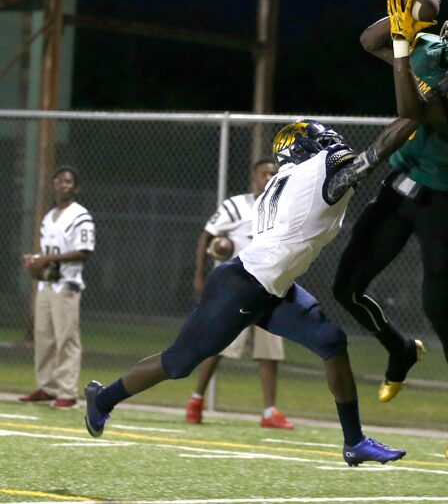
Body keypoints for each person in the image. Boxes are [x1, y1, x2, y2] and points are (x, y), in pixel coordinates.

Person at [85, 117, 419, 467]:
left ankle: (354, 442)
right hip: (242, 287)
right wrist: (418, 113)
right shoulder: (319, 170)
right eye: (322, 140)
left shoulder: (284, 180)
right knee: (178, 362)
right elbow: (379, 149)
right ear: (304, 149)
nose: (332, 144)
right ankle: (103, 399)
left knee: (332, 342)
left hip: (271, 286)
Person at [332, 0, 448, 462]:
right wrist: (400, 16)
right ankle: (399, 350)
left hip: (442, 202)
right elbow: (368, 41)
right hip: (402, 186)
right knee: (346, 287)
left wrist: (402, 46)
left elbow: (414, 112)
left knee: (440, 312)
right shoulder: (435, 49)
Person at [186, 158, 293, 430]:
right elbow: (208, 237)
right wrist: (201, 273)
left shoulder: (285, 208)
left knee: (269, 351)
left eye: (273, 173)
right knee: (218, 344)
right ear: (254, 177)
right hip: (236, 288)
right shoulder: (236, 205)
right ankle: (196, 400)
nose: (269, 177)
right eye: (264, 173)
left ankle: (269, 411)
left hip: (270, 286)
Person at [20, 166, 95, 409]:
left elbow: (84, 251)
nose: (64, 185)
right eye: (60, 181)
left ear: (76, 187)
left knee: (66, 338)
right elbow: (48, 253)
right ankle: (48, 386)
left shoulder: (80, 215)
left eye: (69, 181)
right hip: (46, 284)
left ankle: (67, 391)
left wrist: (48, 260)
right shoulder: (49, 216)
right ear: (53, 185)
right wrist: (34, 260)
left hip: (67, 283)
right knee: (43, 337)